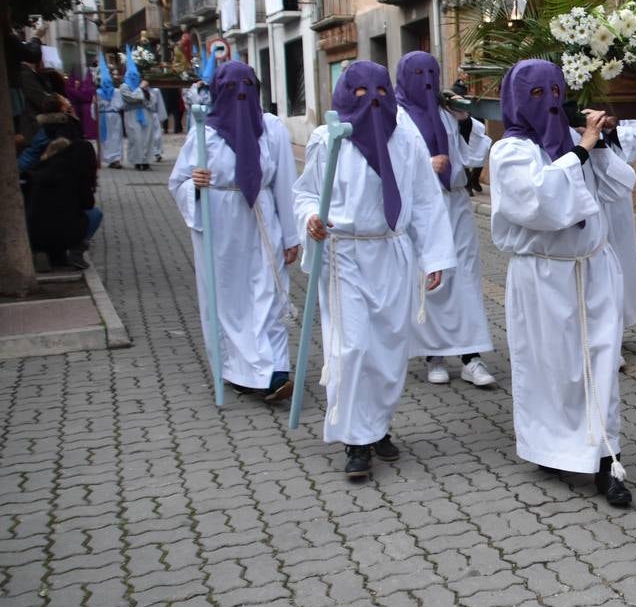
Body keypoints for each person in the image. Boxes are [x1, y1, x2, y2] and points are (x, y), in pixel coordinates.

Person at [294, 61, 454, 479]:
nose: (372, 103)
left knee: (387, 350)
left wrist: (433, 256)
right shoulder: (327, 137)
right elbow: (306, 192)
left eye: (380, 92)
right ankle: (355, 440)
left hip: (392, 253)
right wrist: (312, 216)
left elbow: (424, 198)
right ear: (346, 94)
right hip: (345, 253)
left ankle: (377, 425)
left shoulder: (405, 137)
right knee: (352, 347)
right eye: (360, 94)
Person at [488, 60, 636, 507]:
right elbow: (539, 206)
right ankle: (552, 447)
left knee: (601, 363)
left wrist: (602, 143)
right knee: (554, 368)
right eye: (536, 95)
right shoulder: (510, 152)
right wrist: (581, 152)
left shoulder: (574, 141)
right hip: (543, 275)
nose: (549, 104)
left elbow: (615, 190)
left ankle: (607, 457)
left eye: (556, 92)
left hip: (592, 268)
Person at [169, 61, 300, 402]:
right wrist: (195, 185)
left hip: (261, 218)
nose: (241, 95)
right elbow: (178, 182)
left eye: (248, 88)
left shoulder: (271, 128)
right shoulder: (203, 132)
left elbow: (285, 183)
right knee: (229, 300)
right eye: (231, 89)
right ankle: (240, 370)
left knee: (269, 292)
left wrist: (291, 236)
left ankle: (276, 371)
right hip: (220, 223)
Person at [393, 51, 496, 388]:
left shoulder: (446, 111)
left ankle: (471, 356)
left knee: (465, 278)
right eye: (417, 73)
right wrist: (424, 167)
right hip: (422, 209)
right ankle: (433, 354)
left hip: (454, 205)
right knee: (430, 277)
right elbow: (390, 165)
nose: (425, 80)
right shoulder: (395, 116)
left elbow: (472, 153)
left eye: (431, 73)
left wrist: (464, 120)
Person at [24, 96, 100, 270]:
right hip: (65, 229)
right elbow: (88, 204)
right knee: (93, 214)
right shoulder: (76, 173)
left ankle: (42, 253)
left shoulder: (39, 172)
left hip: (36, 229)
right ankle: (75, 250)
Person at [605, 119, 636, 335]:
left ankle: (614, 330)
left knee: (618, 257)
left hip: (614, 186)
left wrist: (610, 129)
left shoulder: (622, 104)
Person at [119, 59, 155, 171]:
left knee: (147, 137)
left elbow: (152, 99)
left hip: (145, 113)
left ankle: (146, 161)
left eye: (136, 75)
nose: (135, 77)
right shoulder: (124, 86)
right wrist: (140, 89)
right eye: (132, 75)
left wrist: (146, 92)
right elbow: (130, 98)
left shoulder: (143, 86)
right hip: (132, 114)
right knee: (136, 138)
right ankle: (137, 161)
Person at [96, 58, 123, 169]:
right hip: (103, 116)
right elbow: (95, 107)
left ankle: (116, 159)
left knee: (116, 137)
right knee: (105, 139)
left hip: (114, 117)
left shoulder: (116, 92)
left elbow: (120, 105)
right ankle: (108, 158)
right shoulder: (98, 93)